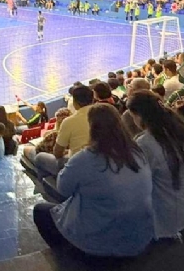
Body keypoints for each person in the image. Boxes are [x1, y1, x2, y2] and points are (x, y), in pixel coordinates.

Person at [32, 104, 154, 257]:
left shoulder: (85, 158)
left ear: (92, 128)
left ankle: (67, 260)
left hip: (100, 247)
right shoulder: (137, 150)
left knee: (40, 210)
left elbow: (63, 189)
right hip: (139, 238)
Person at [127, 91, 184, 239]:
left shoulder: (146, 143)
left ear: (139, 116)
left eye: (133, 117)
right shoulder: (181, 127)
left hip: (172, 219)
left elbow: (137, 181)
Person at [34, 85, 94, 179]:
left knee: (39, 157)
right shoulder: (102, 114)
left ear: (75, 102)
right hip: (97, 159)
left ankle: (48, 185)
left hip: (76, 163)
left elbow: (57, 152)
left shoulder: (70, 121)